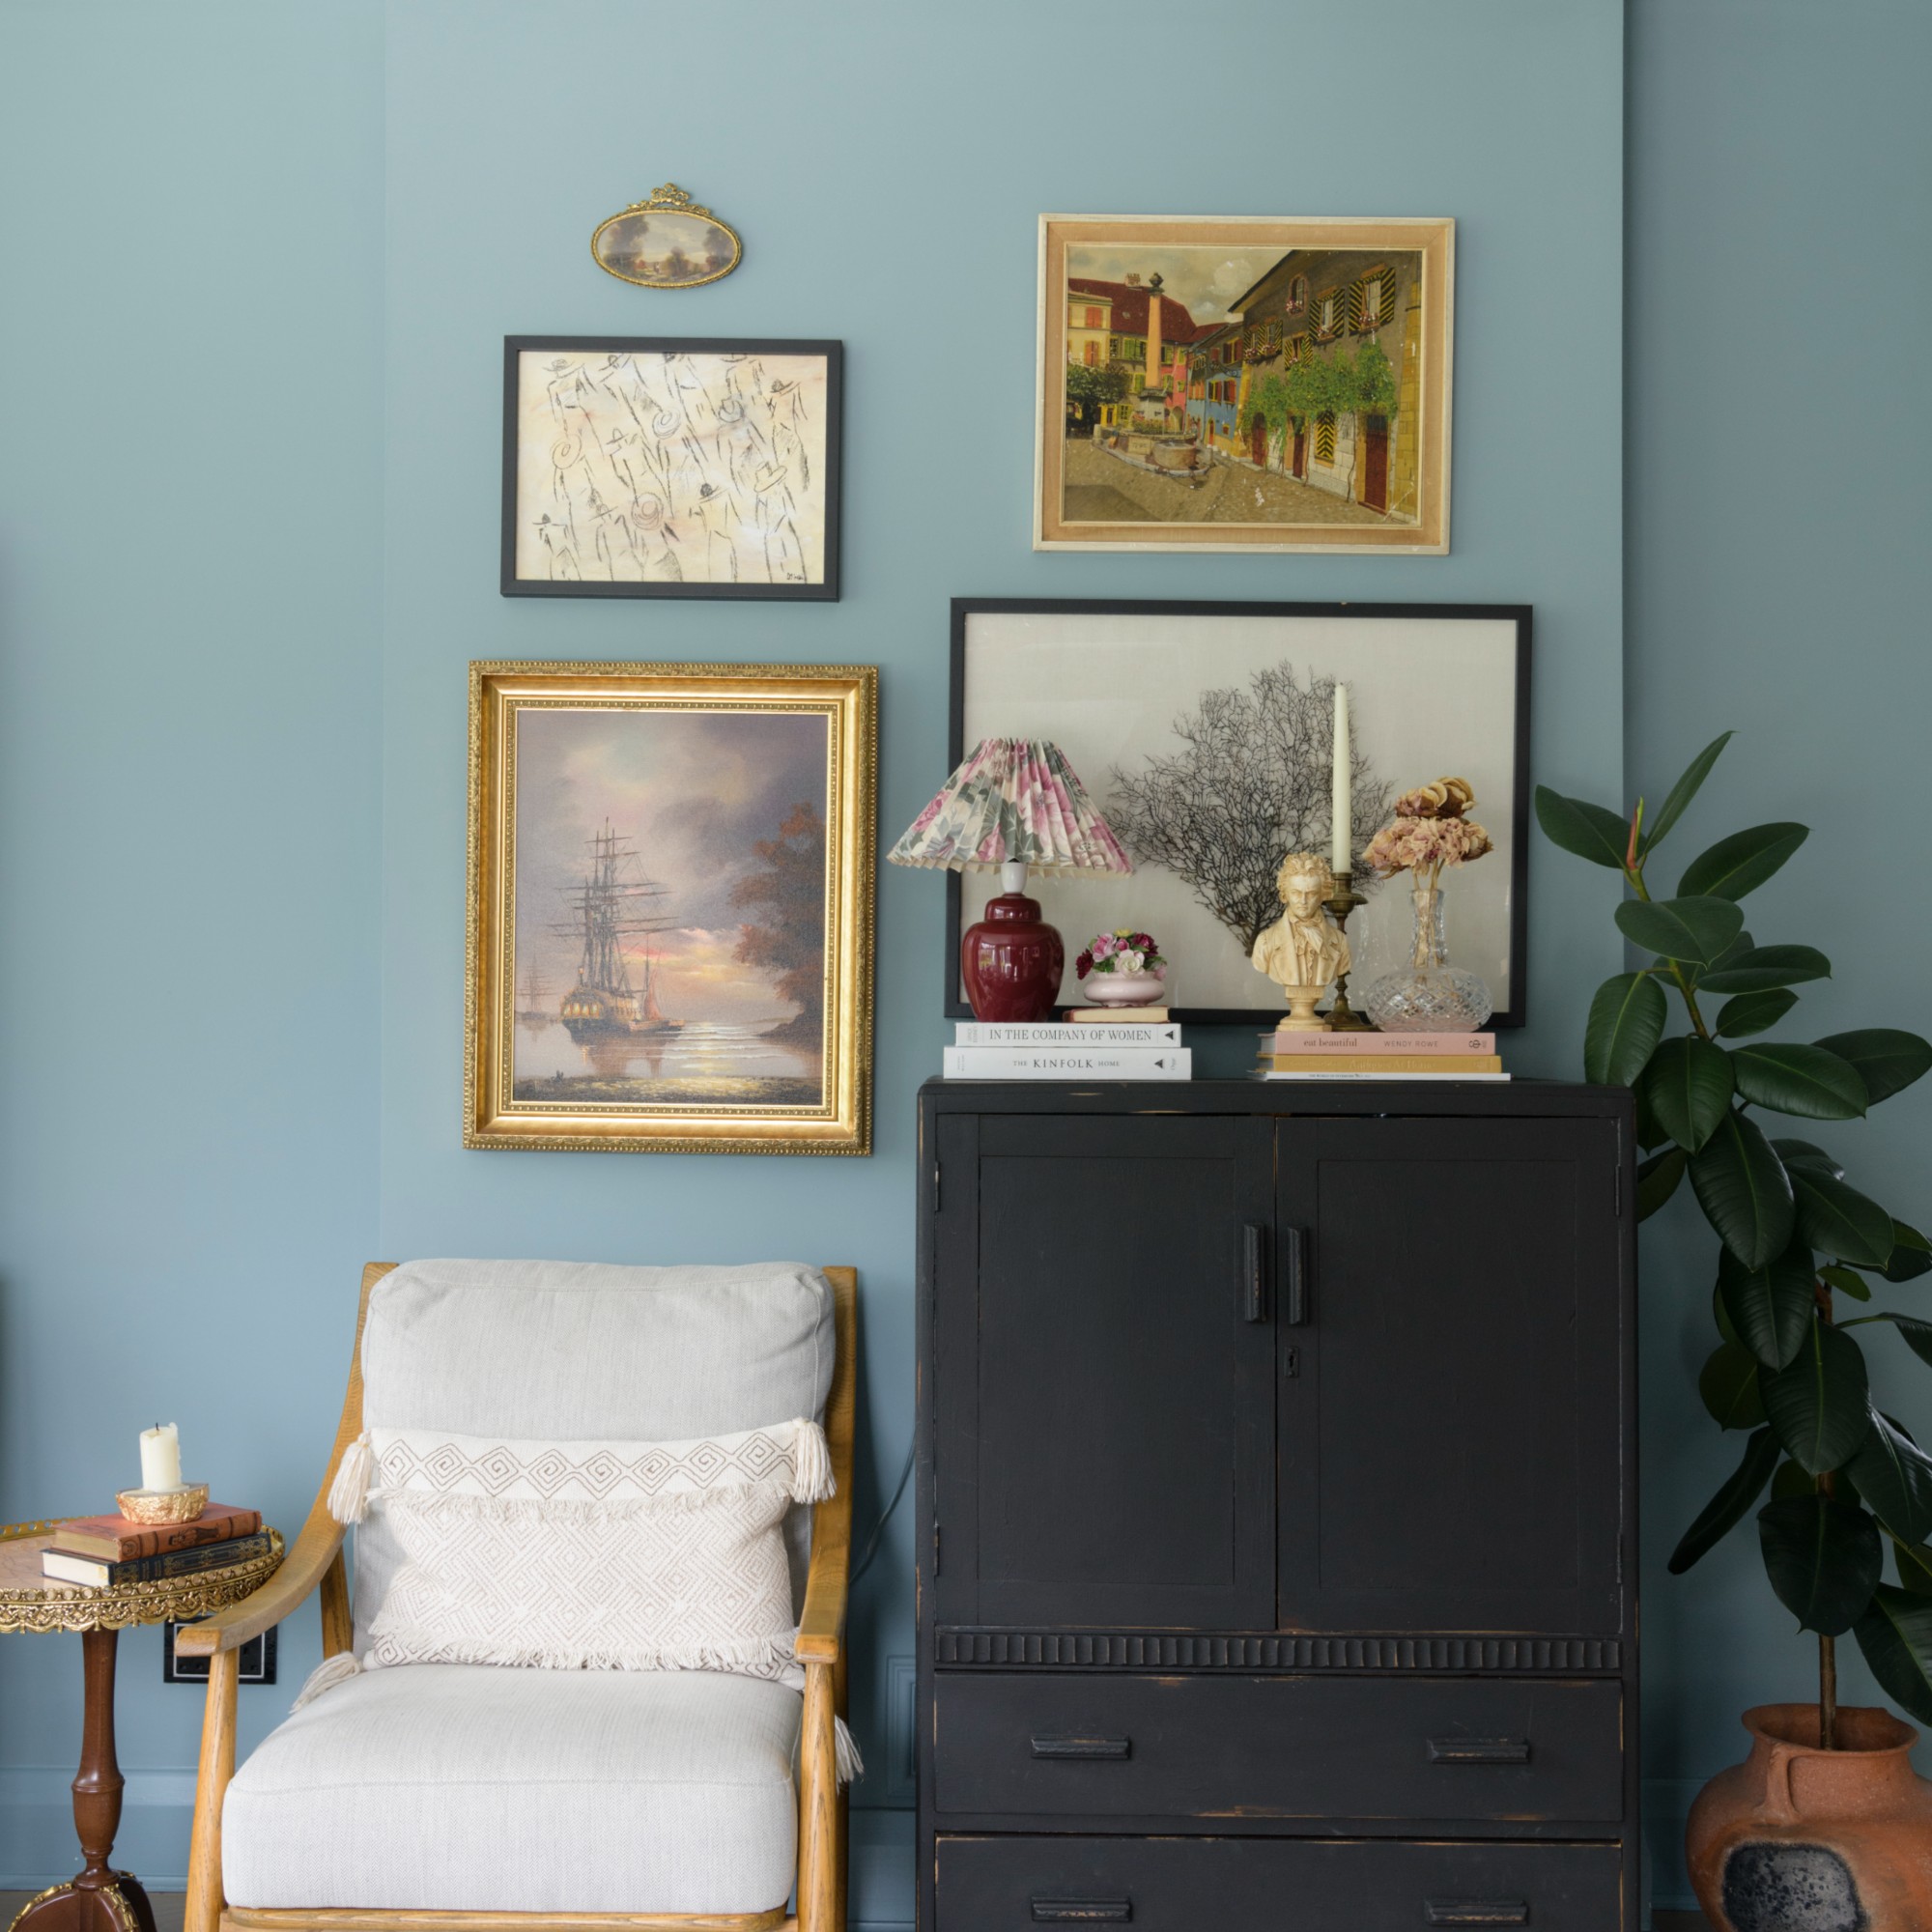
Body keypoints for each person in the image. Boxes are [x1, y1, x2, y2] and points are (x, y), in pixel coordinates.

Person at [1252, 851, 1349, 993]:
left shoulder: (1340, 942)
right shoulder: (1265, 941)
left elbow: (1343, 965)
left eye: (1311, 894)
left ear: (1323, 895)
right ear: (1285, 894)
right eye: (1296, 893)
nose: (1303, 901)